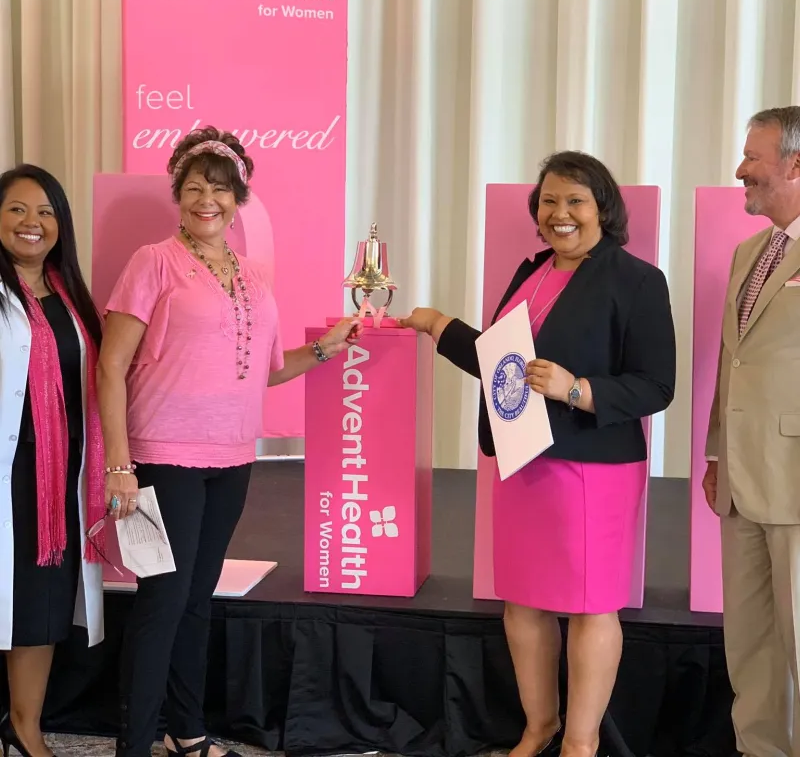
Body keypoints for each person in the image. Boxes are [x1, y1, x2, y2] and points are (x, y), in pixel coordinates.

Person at [97, 126, 363, 757]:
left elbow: (269, 368)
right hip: (163, 456)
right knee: (162, 603)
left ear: (238, 199)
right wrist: (119, 464)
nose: (205, 200)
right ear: (178, 196)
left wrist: (329, 347)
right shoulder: (152, 262)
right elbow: (111, 366)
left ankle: (185, 732)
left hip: (232, 459)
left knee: (196, 601)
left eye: (219, 189)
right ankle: (133, 745)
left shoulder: (250, 275)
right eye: (193, 188)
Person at [400, 151, 675, 757]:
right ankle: (539, 727)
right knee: (522, 603)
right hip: (521, 462)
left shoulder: (637, 281)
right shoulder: (532, 272)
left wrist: (577, 389)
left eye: (575, 200)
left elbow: (658, 385)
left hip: (592, 469)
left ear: (603, 207)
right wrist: (438, 325)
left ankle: (581, 744)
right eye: (549, 201)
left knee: (590, 608)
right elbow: (506, 368)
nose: (560, 213)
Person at [703, 106, 800, 757]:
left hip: (794, 482)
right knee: (753, 648)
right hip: (740, 480)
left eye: (753, 157)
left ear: (795, 165)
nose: (740, 170)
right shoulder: (748, 253)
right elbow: (730, 360)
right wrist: (714, 450)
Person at [0, 164, 106, 757]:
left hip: (54, 476)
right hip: (5, 468)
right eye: (17, 209)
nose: (32, 223)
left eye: (45, 212)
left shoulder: (70, 297)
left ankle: (25, 728)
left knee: (39, 604)